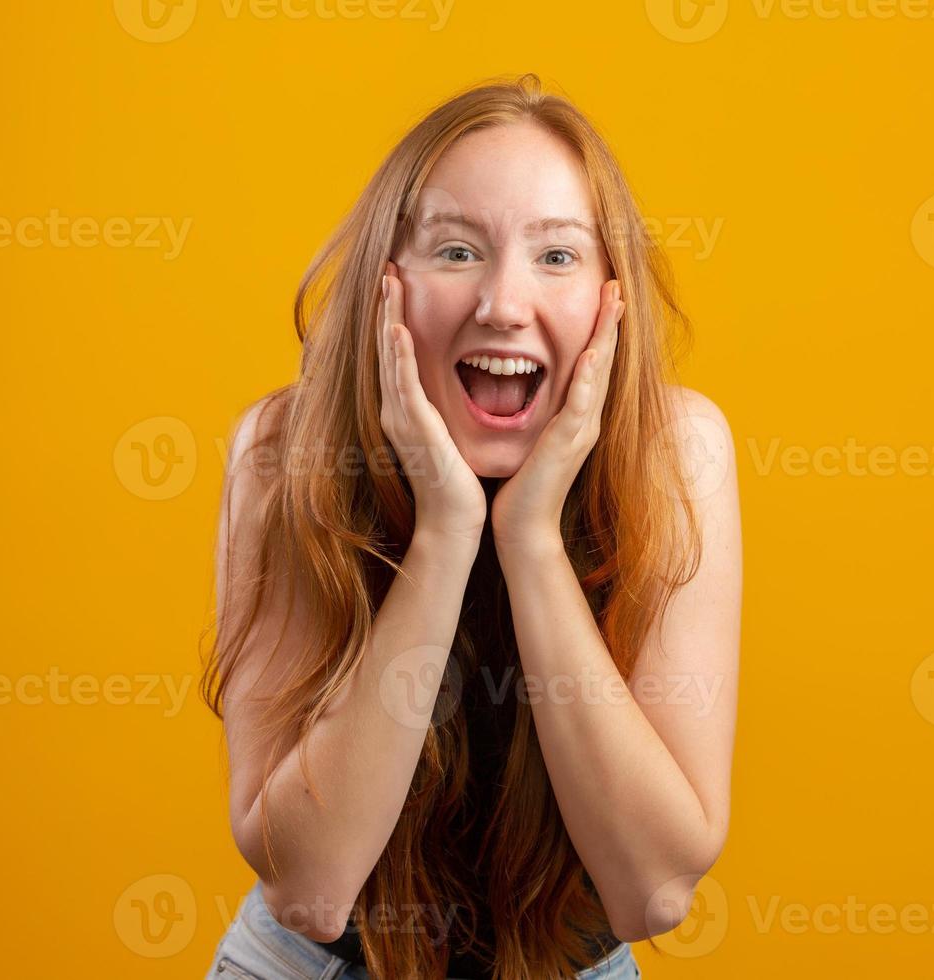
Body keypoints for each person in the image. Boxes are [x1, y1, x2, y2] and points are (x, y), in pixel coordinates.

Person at [201, 72, 741, 980]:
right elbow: (312, 889)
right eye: (456, 252)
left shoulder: (678, 454)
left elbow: (652, 892)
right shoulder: (282, 455)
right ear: (389, 284)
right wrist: (448, 531)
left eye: (557, 257)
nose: (501, 302)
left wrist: (529, 541)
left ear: (614, 297)